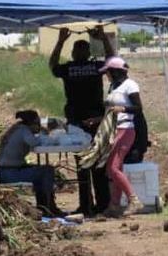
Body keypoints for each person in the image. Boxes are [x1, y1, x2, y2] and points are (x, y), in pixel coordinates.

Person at [49, 25, 114, 216]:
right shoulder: (95, 67)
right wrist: (103, 38)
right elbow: (112, 60)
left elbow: (52, 65)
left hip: (81, 121)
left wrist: (60, 41)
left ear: (75, 53)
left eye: (78, 49)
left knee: (84, 165)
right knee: (97, 164)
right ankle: (99, 205)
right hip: (90, 121)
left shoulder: (70, 68)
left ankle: (88, 205)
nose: (78, 52)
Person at [0, 110, 63, 217]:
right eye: (37, 123)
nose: (38, 125)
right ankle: (48, 206)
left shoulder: (17, 129)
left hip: (4, 171)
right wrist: (43, 133)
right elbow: (35, 143)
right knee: (47, 171)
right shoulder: (24, 131)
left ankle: (44, 206)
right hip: (9, 173)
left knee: (43, 170)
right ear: (31, 123)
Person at [100, 56, 145, 217]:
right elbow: (111, 109)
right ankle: (115, 205)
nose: (107, 75)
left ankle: (134, 200)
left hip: (126, 129)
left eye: (108, 72)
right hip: (114, 128)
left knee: (113, 167)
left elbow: (138, 108)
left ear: (116, 72)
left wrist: (123, 110)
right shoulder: (113, 86)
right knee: (113, 169)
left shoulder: (130, 85)